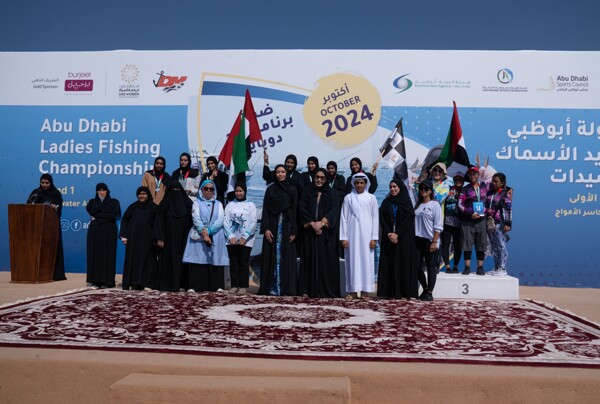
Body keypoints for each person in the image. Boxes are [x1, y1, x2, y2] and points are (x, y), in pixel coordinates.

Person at [299, 168, 340, 298]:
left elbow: (335, 209)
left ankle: (326, 290)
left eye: (322, 178)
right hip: (310, 232)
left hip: (326, 233)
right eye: (317, 177)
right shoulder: (307, 191)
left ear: (326, 179)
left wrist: (322, 223)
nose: (319, 180)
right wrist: (311, 223)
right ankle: (307, 289)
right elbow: (302, 208)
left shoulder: (332, 193)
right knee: (308, 259)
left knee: (326, 260)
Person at [258, 164, 298, 296]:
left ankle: (285, 288)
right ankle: (271, 287)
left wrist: (293, 230)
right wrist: (265, 229)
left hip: (286, 227)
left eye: (283, 172)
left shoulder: (292, 190)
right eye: (278, 172)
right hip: (273, 226)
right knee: (271, 256)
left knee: (286, 256)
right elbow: (265, 210)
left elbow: (295, 211)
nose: (280, 174)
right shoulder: (270, 190)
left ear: (286, 173)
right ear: (275, 174)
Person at [182, 180, 229, 292]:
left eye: (211, 189)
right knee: (197, 259)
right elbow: (196, 218)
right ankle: (195, 286)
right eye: (206, 188)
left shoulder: (219, 204)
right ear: (201, 190)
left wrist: (209, 231)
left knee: (215, 259)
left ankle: (216, 286)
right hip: (199, 234)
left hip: (215, 234)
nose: (208, 191)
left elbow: (220, 219)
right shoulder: (196, 203)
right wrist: (204, 232)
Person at [340, 173, 379, 300]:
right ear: (353, 184)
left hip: (367, 236)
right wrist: (343, 237)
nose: (359, 185)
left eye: (362, 183)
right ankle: (352, 291)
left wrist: (374, 237)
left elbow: (375, 219)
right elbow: (344, 218)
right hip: (351, 235)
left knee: (366, 262)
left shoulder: (371, 198)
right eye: (357, 183)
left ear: (366, 184)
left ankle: (364, 291)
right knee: (352, 261)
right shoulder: (348, 198)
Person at [377, 179, 418, 299]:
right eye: (390, 187)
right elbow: (382, 219)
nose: (392, 189)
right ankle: (389, 291)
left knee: (402, 264)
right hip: (389, 238)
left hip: (404, 239)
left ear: (400, 187)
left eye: (395, 187)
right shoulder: (386, 202)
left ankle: (404, 291)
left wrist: (397, 234)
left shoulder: (406, 202)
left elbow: (408, 219)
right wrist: (389, 233)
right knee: (390, 264)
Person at [153, 181, 193, 291]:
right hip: (168, 241)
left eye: (177, 190)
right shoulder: (164, 205)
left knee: (184, 260)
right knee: (168, 261)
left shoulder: (188, 206)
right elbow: (159, 222)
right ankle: (168, 284)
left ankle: (183, 284)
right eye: (172, 190)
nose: (175, 192)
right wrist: (160, 238)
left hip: (184, 240)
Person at [27, 173, 66, 281]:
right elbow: (28, 206)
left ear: (51, 183)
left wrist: (55, 208)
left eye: (47, 183)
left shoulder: (56, 194)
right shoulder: (36, 193)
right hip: (36, 227)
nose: (44, 185)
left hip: (50, 227)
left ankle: (53, 274)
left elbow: (59, 209)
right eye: (42, 182)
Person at [119, 186, 158, 290]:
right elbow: (125, 220)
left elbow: (158, 224)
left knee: (148, 260)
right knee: (133, 260)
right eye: (140, 194)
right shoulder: (133, 207)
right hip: (133, 239)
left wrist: (157, 238)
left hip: (148, 240)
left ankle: (146, 283)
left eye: (144, 194)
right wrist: (124, 236)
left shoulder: (154, 207)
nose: (142, 196)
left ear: (148, 195)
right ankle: (133, 282)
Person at [223, 183, 257, 294]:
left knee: (243, 261)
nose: (239, 193)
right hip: (231, 240)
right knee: (234, 261)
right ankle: (234, 285)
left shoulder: (250, 205)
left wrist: (245, 237)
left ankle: (243, 286)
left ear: (245, 191)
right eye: (237, 191)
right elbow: (225, 221)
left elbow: (253, 222)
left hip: (246, 240)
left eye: (241, 191)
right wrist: (231, 236)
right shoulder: (230, 205)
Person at [85, 183, 121, 288]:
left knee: (108, 254)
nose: (101, 192)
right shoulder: (92, 202)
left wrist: (98, 216)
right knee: (94, 253)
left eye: (104, 190)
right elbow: (91, 211)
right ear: (96, 191)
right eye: (99, 190)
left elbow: (113, 215)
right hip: (95, 230)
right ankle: (95, 280)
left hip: (109, 230)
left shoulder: (114, 202)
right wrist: (101, 207)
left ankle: (108, 281)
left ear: (107, 191)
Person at [414, 180, 443, 301]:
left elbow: (438, 225)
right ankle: (425, 288)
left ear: (431, 191)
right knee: (416, 266)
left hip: (430, 240)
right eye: (421, 188)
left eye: (426, 188)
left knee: (431, 267)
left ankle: (430, 292)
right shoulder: (417, 205)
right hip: (418, 239)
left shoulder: (435, 205)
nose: (423, 191)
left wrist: (434, 241)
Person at [458, 165, 488, 276]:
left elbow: (490, 200)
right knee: (467, 243)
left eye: (475, 173)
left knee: (481, 243)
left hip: (482, 220)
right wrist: (470, 213)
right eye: (470, 174)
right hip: (468, 220)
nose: (473, 176)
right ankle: (467, 267)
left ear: (479, 175)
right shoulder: (465, 189)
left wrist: (485, 211)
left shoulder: (485, 186)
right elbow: (460, 204)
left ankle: (480, 267)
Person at [485, 172, 512, 276]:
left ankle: (503, 267)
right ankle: (497, 267)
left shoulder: (505, 194)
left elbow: (509, 210)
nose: (494, 183)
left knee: (501, 245)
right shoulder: (490, 193)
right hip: (490, 223)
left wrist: (508, 223)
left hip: (500, 223)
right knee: (494, 246)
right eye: (493, 181)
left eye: (496, 182)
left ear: (502, 183)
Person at [441, 172, 464, 274]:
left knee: (457, 245)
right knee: (445, 244)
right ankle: (447, 266)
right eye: (456, 180)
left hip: (459, 223)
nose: (458, 182)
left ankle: (455, 266)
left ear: (463, 181)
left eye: (460, 180)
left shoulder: (466, 191)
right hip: (447, 221)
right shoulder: (448, 189)